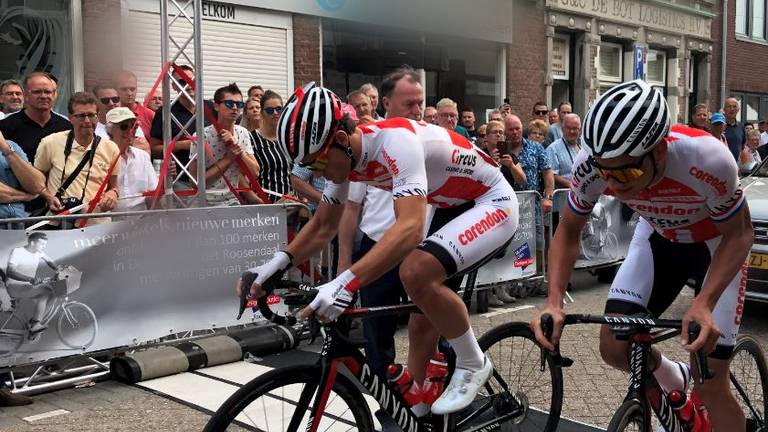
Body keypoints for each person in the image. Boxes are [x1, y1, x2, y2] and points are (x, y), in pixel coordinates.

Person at [239, 82, 519, 415]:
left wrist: (345, 284)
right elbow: (324, 225)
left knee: (415, 270)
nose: (319, 173)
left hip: (491, 201)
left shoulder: (395, 141)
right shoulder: (343, 158)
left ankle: (473, 362)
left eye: (317, 164)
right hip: (451, 204)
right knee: (420, 317)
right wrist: (273, 267)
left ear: (341, 140)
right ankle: (418, 405)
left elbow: (410, 228)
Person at [531, 80, 753, 432]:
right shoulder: (592, 164)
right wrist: (554, 301)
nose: (615, 185)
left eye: (628, 172)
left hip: (715, 245)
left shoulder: (707, 157)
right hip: (659, 237)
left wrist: (704, 302)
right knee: (614, 347)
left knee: (710, 384)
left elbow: (740, 234)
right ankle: (670, 376)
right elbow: (569, 230)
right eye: (607, 173)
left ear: (660, 152)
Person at [337, 67, 426, 386]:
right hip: (379, 246)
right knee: (377, 336)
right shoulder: (369, 144)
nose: (417, 112)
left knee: (430, 327)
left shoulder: (425, 139)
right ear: (385, 103)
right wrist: (344, 263)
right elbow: (350, 209)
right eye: (409, 105)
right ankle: (387, 405)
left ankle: (433, 397)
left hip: (421, 247)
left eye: (420, 103)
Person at [35, 92, 121, 225]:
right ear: (70, 118)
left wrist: (113, 194)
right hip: (59, 223)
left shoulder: (111, 148)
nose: (87, 121)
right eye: (81, 116)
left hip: (96, 224)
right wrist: (48, 197)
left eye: (91, 115)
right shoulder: (50, 143)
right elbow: (36, 178)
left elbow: (113, 187)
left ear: (98, 117)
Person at [191, 83, 261, 206]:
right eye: (229, 104)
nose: (235, 108)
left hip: (233, 200)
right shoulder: (201, 135)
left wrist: (235, 145)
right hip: (205, 202)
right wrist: (228, 159)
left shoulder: (242, 132)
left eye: (239, 104)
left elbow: (255, 172)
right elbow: (195, 182)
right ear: (216, 106)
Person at [149, 65, 209, 179]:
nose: (188, 85)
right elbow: (155, 150)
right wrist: (182, 145)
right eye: (182, 82)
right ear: (173, 86)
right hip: (181, 180)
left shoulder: (210, 108)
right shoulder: (165, 111)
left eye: (192, 81)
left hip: (211, 178)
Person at [0, 72, 71, 162]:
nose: (43, 96)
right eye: (37, 92)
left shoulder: (66, 127)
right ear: (25, 95)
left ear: (54, 95)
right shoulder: (6, 127)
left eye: (48, 92)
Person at [5, 232, 62, 334]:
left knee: (52, 294)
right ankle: (35, 324)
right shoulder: (18, 252)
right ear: (32, 243)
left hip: (27, 286)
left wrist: (58, 269)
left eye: (45, 244)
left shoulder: (38, 252)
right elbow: (10, 272)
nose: (44, 247)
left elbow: (49, 261)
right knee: (46, 291)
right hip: (14, 286)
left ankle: (35, 322)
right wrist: (30, 279)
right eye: (42, 244)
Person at [106, 107, 157, 213]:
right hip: (110, 223)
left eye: (134, 127)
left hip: (141, 222)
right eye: (124, 127)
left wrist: (166, 180)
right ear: (110, 130)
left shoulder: (142, 156)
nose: (130, 131)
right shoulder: (101, 155)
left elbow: (153, 194)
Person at [251, 90, 292, 202]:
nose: (275, 113)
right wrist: (260, 202)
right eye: (269, 110)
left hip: (294, 205)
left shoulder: (289, 137)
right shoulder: (252, 139)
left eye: (279, 109)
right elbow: (243, 177)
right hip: (267, 206)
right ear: (262, 113)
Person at [0, 131, 46, 228]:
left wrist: (6, 149)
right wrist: (26, 196)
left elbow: (37, 185)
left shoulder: (10, 145)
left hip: (18, 225)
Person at [93, 85, 149, 153]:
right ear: (96, 103)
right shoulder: (93, 129)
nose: (111, 103)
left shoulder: (130, 124)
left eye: (115, 99)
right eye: (105, 100)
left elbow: (144, 148)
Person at [114, 71, 155, 139]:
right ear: (115, 90)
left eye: (132, 89)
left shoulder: (149, 115)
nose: (129, 93)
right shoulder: (111, 113)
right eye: (124, 89)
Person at [546, 113, 582, 189]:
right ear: (562, 129)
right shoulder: (553, 148)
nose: (571, 131)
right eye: (568, 128)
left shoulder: (584, 147)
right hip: (564, 194)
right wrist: (572, 185)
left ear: (580, 130)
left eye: (575, 128)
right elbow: (551, 174)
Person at [723, 97, 745, 161]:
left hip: (736, 166)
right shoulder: (718, 126)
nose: (732, 109)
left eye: (734, 106)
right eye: (729, 106)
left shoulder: (741, 126)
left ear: (738, 110)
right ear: (724, 109)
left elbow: (743, 147)